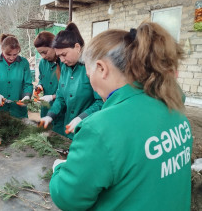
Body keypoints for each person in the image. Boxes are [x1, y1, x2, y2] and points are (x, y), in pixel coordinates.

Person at [50, 22, 193, 210]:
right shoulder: (172, 106)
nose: (90, 82)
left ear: (101, 68)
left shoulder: (100, 128)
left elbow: (68, 197)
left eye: (88, 73)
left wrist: (59, 169)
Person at [39, 23, 103, 139]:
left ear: (77, 47)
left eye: (64, 54)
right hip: (68, 130)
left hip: (87, 129)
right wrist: (50, 115)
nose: (62, 60)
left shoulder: (91, 67)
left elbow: (101, 102)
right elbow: (61, 97)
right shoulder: (64, 67)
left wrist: (82, 117)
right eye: (59, 56)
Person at [0, 33, 33, 118]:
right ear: (2, 49)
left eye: (15, 54)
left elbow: (28, 84)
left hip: (19, 112)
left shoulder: (24, 63)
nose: (12, 58)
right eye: (8, 54)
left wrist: (27, 96)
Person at [33, 31, 66, 136]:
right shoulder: (43, 63)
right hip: (46, 109)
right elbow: (42, 78)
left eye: (45, 52)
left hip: (62, 111)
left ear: (54, 46)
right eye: (40, 53)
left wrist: (53, 97)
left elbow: (68, 90)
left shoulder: (65, 63)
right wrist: (39, 86)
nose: (43, 56)